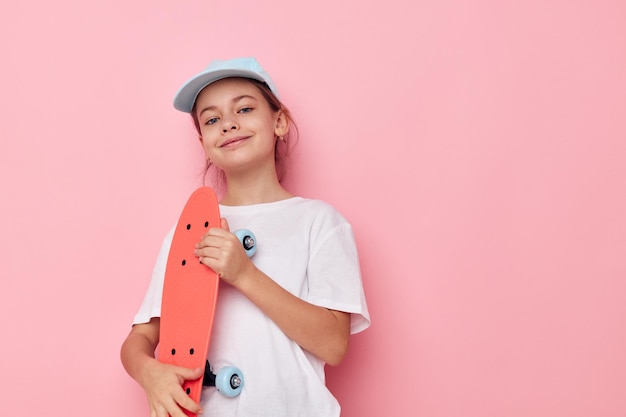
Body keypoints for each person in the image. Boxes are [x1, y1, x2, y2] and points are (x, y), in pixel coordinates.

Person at [120, 57, 370, 417]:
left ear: (279, 121)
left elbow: (334, 344)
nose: (228, 124)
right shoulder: (187, 231)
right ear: (204, 143)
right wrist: (148, 373)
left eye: (245, 108)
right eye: (211, 119)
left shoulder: (320, 222)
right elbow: (140, 338)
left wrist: (244, 274)